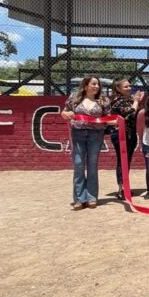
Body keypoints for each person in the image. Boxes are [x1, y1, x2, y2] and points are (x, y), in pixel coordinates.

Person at [61, 76, 110, 210]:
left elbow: (107, 117)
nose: (96, 86)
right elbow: (64, 112)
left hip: (96, 135)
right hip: (78, 134)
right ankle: (79, 199)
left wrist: (116, 121)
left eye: (98, 84)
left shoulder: (104, 100)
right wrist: (66, 114)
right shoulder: (74, 98)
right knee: (79, 164)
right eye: (93, 84)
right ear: (86, 85)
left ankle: (91, 197)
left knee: (92, 165)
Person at [109, 78, 144, 200]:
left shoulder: (130, 100)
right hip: (120, 134)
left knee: (127, 160)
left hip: (131, 133)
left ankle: (125, 186)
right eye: (126, 87)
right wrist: (136, 101)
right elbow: (130, 114)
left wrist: (138, 101)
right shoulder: (116, 100)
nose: (129, 88)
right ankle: (121, 188)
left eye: (129, 86)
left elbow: (138, 113)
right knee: (122, 160)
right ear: (118, 88)